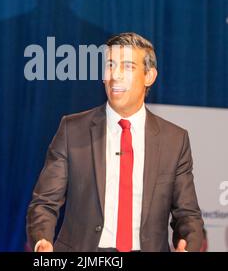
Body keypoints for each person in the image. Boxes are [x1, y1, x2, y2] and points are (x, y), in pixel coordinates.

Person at [26, 32, 204, 252]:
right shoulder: (72, 130)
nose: (116, 75)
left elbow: (187, 215)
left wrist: (189, 245)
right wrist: (42, 240)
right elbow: (44, 203)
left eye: (128, 67)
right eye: (110, 65)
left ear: (149, 76)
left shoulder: (174, 140)